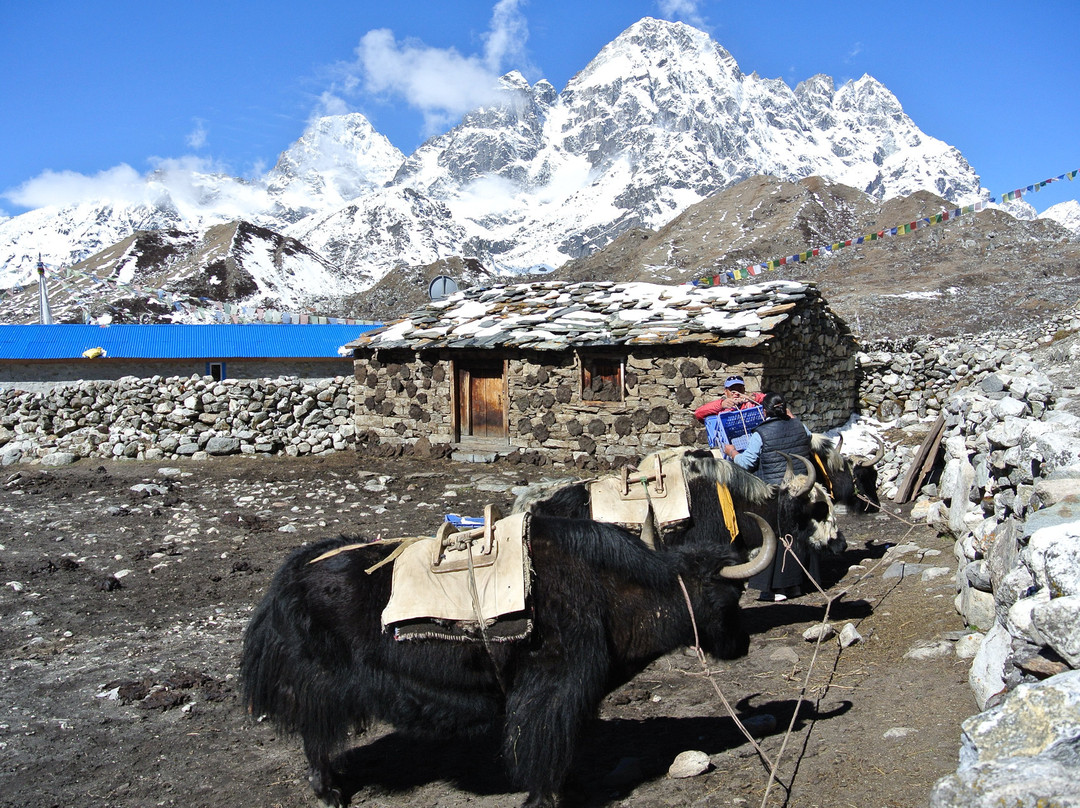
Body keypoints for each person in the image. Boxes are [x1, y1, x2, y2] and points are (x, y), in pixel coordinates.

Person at [724, 391, 816, 601]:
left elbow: (746, 463)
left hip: (777, 493)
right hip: (800, 489)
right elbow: (809, 437)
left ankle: (777, 589)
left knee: (778, 536)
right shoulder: (799, 425)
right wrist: (791, 416)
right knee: (800, 532)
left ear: (764, 411)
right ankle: (799, 584)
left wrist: (732, 453)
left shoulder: (761, 434)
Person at [693, 375, 766, 422]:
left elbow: (770, 399)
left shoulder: (750, 403)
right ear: (725, 392)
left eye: (739, 389)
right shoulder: (722, 408)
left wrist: (754, 398)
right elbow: (698, 413)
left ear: (744, 390)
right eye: (732, 390)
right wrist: (721, 405)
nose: (736, 393)